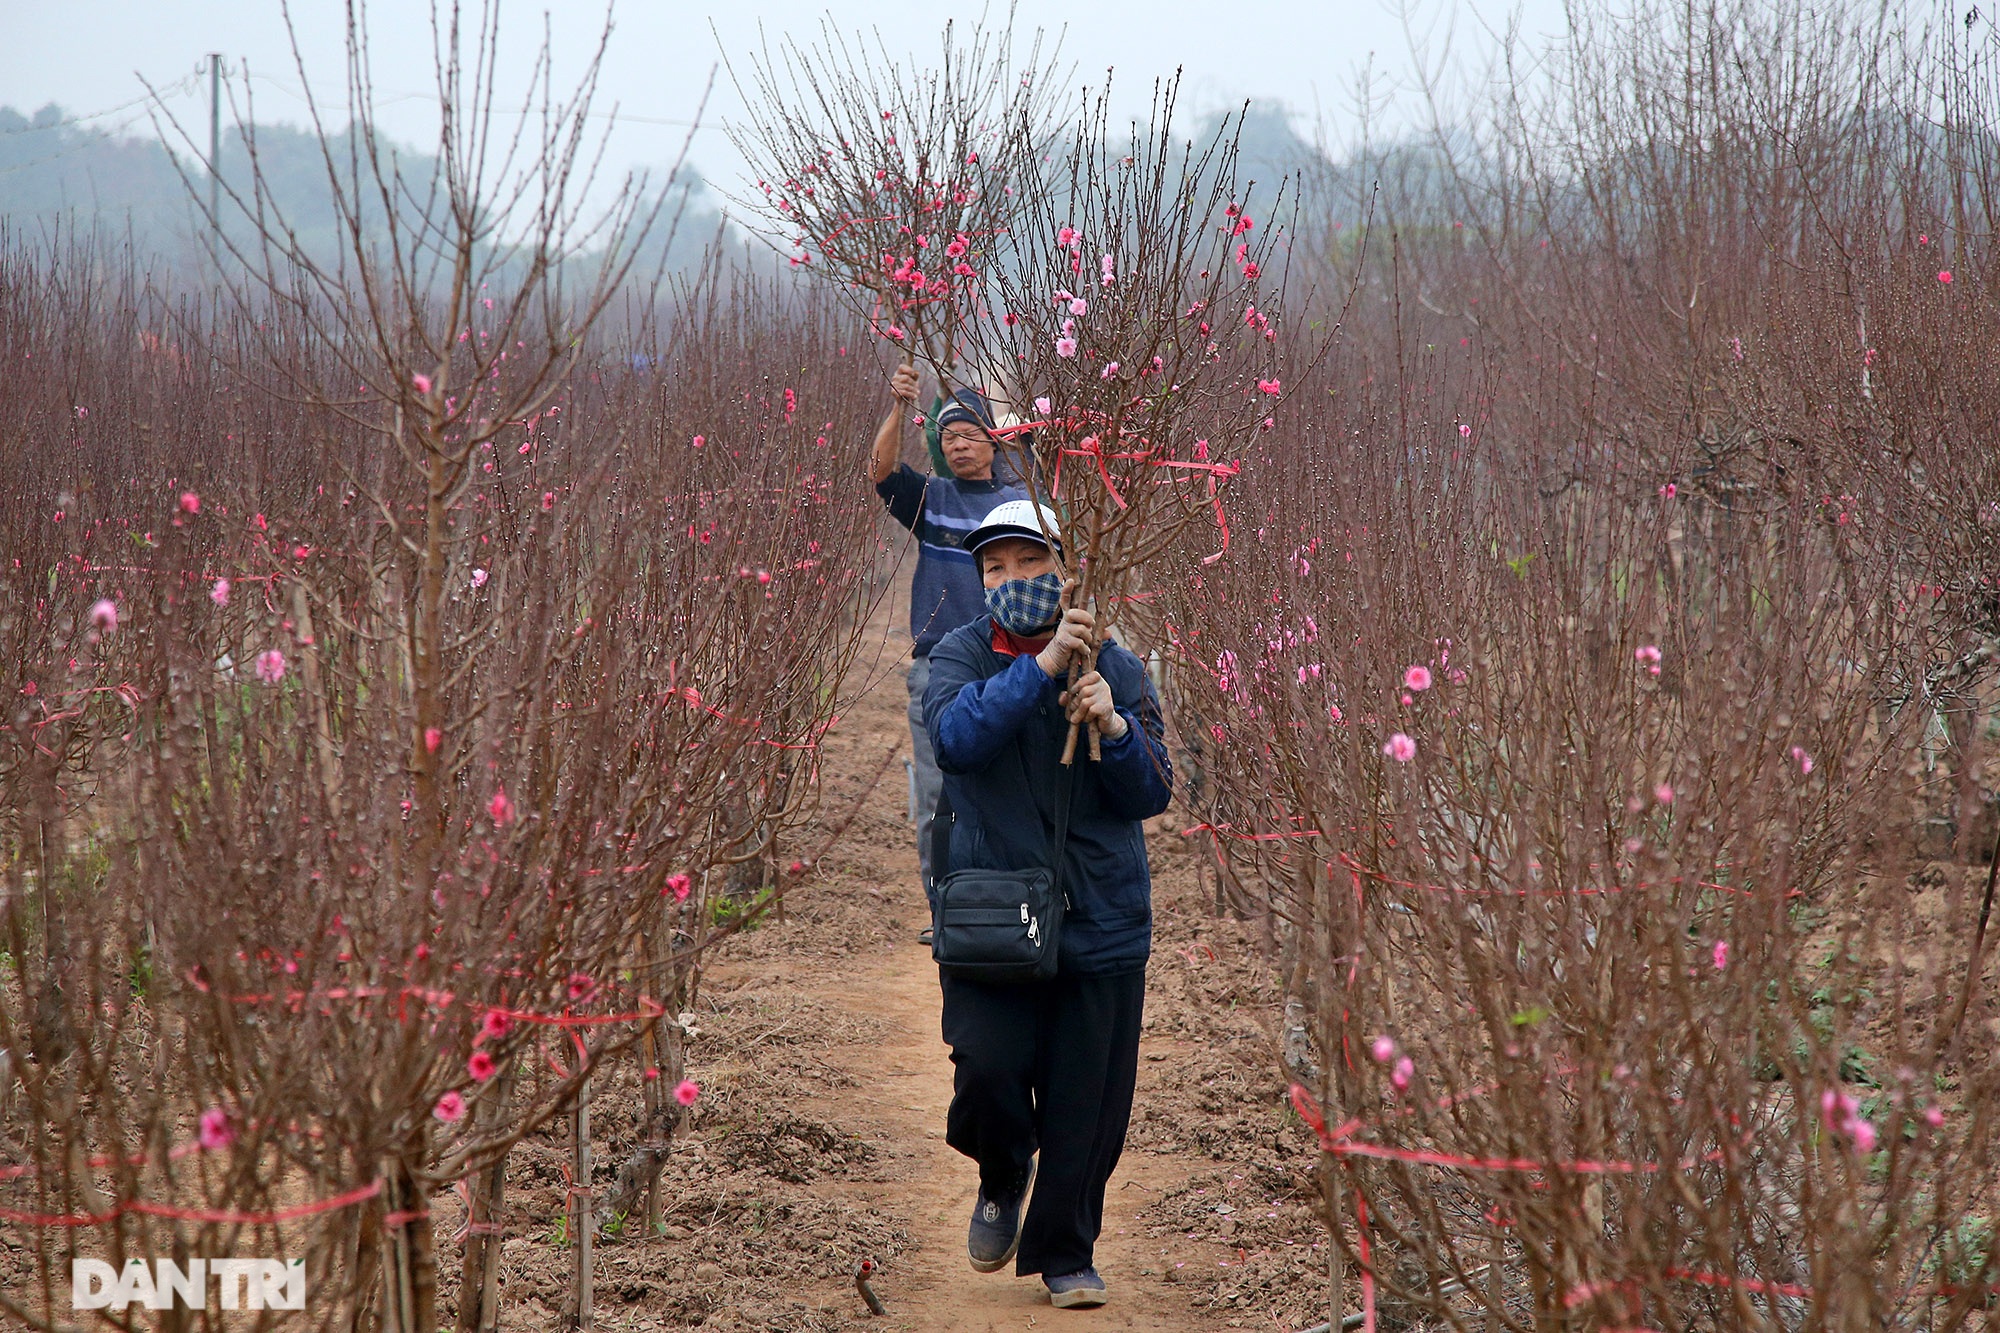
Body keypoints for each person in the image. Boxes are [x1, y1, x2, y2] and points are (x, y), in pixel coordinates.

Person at [922, 500, 1173, 1310]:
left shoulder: (1119, 667)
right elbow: (956, 740)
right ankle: (1002, 1171)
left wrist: (1116, 725)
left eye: (1028, 563)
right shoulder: (959, 655)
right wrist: (1035, 672)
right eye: (994, 568)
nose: (1011, 581)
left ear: (1063, 567)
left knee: (1086, 1103)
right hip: (993, 912)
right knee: (988, 1070)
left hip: (1099, 915)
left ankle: (1068, 1251)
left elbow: (1155, 791)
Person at [871, 362, 1030, 916]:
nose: (958, 445)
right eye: (947, 437)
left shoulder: (1021, 506)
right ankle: (948, 911)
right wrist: (897, 407)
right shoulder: (931, 499)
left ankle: (1011, 905)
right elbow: (880, 470)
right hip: (937, 667)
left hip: (1012, 664)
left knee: (1014, 788)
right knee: (938, 795)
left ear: (994, 441)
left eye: (969, 434)